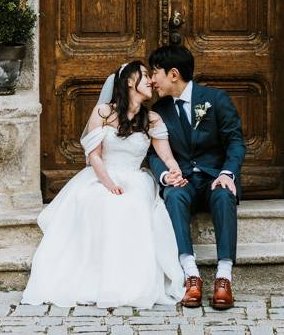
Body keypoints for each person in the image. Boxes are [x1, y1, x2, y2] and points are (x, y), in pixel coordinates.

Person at [21, 61, 185, 308]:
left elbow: (167, 156)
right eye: (144, 76)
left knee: (134, 205)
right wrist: (108, 183)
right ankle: (97, 278)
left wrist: (176, 172)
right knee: (99, 203)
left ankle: (130, 282)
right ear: (129, 81)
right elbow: (94, 156)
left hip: (135, 178)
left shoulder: (152, 119)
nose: (150, 80)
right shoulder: (102, 113)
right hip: (101, 176)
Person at [147, 44, 246, 311]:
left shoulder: (216, 99)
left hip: (215, 177)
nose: (151, 79)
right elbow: (154, 153)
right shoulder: (159, 110)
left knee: (225, 194)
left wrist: (228, 173)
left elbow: (235, 142)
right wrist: (166, 175)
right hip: (184, 182)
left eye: (155, 72)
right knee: (174, 195)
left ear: (174, 74)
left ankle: (224, 277)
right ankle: (191, 275)